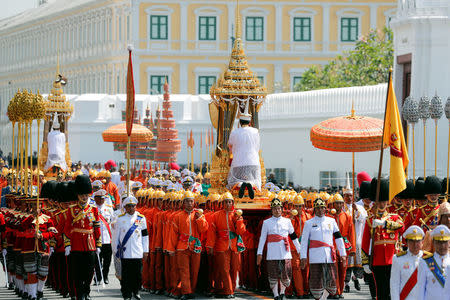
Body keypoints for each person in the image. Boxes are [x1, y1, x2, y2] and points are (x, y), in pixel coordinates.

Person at [362, 178, 404, 300]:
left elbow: (402, 227)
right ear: (375, 202)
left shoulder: (394, 217)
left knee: (393, 289)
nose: (382, 204)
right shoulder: (369, 219)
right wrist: (365, 262)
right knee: (381, 291)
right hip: (378, 260)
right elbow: (365, 242)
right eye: (379, 201)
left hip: (393, 259)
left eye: (384, 201)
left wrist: (384, 224)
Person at [63, 175, 102, 300]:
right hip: (76, 244)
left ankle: (87, 291)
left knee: (89, 271)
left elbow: (97, 227)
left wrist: (98, 244)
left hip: (90, 244)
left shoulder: (94, 210)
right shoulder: (72, 210)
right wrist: (68, 244)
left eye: (86, 195)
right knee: (78, 272)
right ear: (78, 196)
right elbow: (67, 228)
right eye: (82, 195)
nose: (84, 198)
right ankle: (80, 294)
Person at [300, 198, 347, 300]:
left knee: (331, 280)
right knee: (317, 281)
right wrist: (303, 257)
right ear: (315, 210)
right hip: (315, 256)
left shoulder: (331, 221)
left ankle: (323, 298)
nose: (320, 210)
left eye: (322, 208)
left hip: (329, 256)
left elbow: (339, 238)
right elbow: (304, 242)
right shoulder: (309, 223)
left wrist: (343, 254)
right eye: (318, 208)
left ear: (325, 209)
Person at [257, 198, 301, 300]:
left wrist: (299, 250)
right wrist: (259, 253)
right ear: (272, 210)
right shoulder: (266, 222)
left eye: (279, 208)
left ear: (281, 209)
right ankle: (275, 294)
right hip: (272, 252)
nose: (277, 210)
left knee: (285, 273)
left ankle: (282, 292)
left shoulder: (287, 221)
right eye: (275, 209)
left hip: (285, 252)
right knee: (273, 274)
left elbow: (293, 236)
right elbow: (262, 238)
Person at [167, 191, 209, 300]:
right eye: (187, 201)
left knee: (194, 270)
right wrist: (171, 248)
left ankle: (191, 290)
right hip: (182, 247)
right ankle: (186, 292)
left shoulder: (199, 215)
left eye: (191, 201)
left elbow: (204, 229)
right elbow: (173, 234)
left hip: (196, 246)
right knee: (184, 270)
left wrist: (200, 219)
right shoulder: (178, 216)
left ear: (194, 202)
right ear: (183, 203)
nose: (189, 203)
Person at [206, 192, 246, 298]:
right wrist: (210, 246)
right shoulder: (216, 215)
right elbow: (211, 232)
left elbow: (241, 231)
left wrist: (239, 221)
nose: (228, 204)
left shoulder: (236, 215)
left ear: (232, 203)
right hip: (221, 246)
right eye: (226, 202)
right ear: (222, 204)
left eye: (230, 202)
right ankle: (228, 291)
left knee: (234, 269)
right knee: (224, 269)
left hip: (234, 246)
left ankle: (231, 289)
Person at [113, 195, 149, 300]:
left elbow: (145, 236)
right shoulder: (120, 219)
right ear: (125, 207)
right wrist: (115, 251)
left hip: (137, 251)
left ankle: (136, 291)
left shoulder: (141, 219)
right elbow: (116, 237)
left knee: (137, 274)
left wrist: (145, 250)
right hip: (125, 252)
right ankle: (126, 294)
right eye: (129, 206)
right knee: (126, 276)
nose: (131, 208)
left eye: (133, 206)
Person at [227, 105, 261, 199]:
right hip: (253, 161)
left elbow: (230, 145)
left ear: (240, 122)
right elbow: (257, 146)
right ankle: (250, 184)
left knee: (233, 181)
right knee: (255, 179)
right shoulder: (255, 131)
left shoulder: (234, 132)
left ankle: (240, 184)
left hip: (238, 162)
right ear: (249, 122)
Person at [390, 225, 427, 300]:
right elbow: (394, 284)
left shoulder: (428, 259)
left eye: (418, 241)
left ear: (422, 242)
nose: (415, 244)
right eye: (412, 241)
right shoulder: (398, 259)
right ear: (406, 242)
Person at [417, 225, 450, 300]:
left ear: (449, 243)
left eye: (445, 242)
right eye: (439, 242)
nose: (442, 246)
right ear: (434, 243)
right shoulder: (424, 262)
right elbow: (420, 290)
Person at [93, 189, 114, 285]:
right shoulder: (92, 209)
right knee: (97, 259)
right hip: (97, 238)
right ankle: (98, 276)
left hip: (107, 238)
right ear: (95, 199)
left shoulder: (109, 208)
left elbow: (113, 222)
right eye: (99, 198)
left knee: (107, 260)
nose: (101, 200)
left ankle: (105, 276)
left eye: (103, 198)